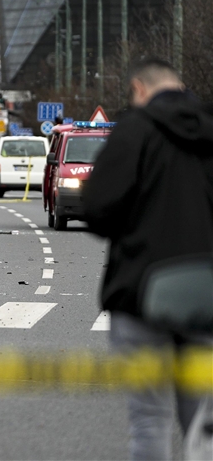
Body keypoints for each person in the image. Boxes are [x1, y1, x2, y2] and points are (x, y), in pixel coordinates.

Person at [83, 58, 213, 460]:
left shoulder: (134, 131)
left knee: (149, 418)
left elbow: (97, 207)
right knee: (203, 420)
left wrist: (136, 230)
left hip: (141, 290)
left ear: (139, 88)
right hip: (207, 291)